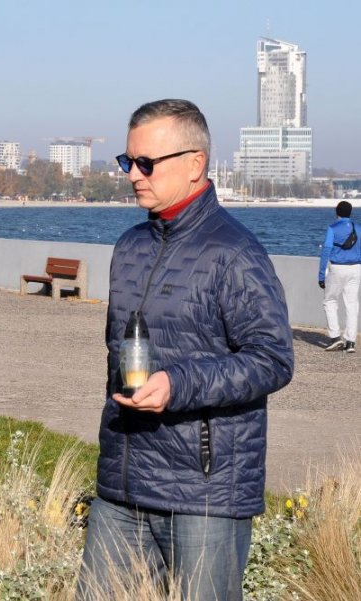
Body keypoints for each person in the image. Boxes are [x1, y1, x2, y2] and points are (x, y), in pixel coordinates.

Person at [76, 99, 294, 601]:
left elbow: (273, 358)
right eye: (128, 162)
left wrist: (178, 385)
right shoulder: (130, 246)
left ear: (195, 163)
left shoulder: (235, 252)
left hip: (205, 495)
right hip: (123, 483)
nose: (133, 175)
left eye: (146, 163)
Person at [318, 201, 360, 353]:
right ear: (350, 213)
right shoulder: (359, 228)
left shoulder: (332, 228)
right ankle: (351, 342)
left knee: (330, 301)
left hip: (337, 268)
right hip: (356, 268)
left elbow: (326, 251)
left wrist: (321, 275)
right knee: (352, 304)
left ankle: (335, 337)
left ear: (337, 212)